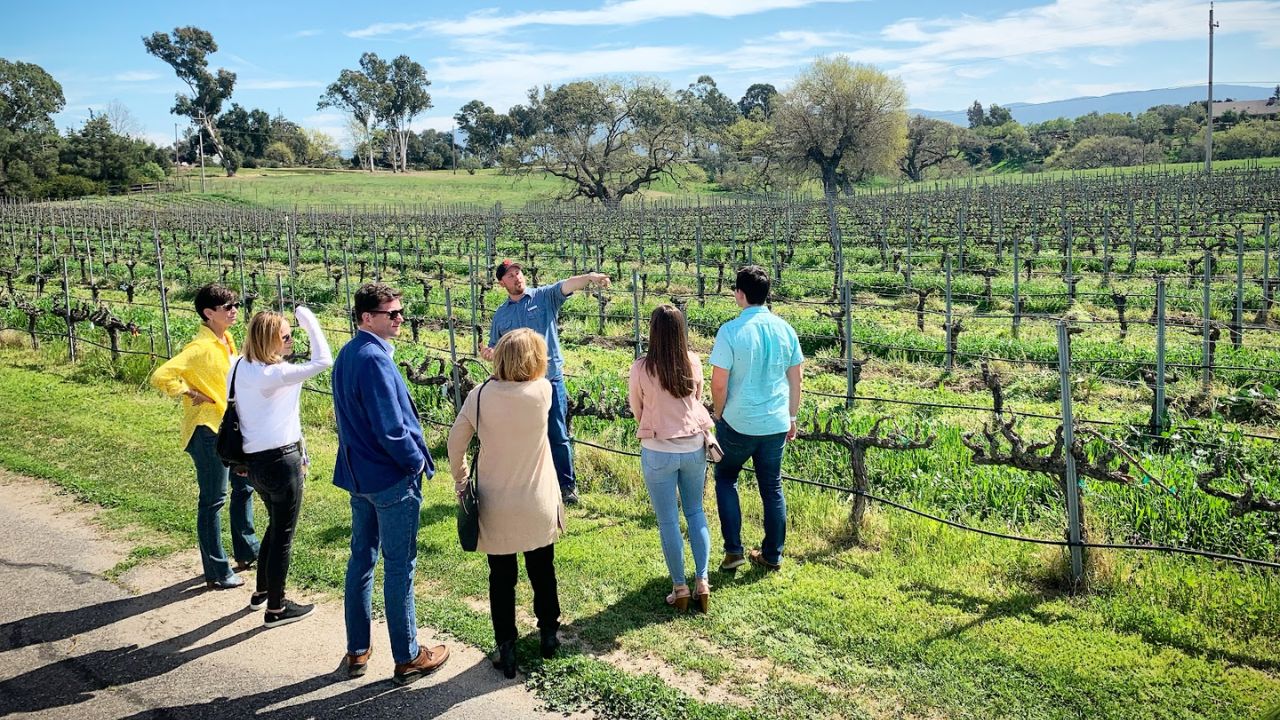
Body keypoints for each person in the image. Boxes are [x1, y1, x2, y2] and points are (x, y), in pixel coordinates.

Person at [332, 282, 450, 685]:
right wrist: (416, 463)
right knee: (399, 565)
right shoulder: (374, 360)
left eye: (401, 312)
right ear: (367, 318)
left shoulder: (348, 353)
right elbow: (392, 429)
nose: (401, 319)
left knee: (361, 559)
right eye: (392, 314)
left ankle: (357, 649)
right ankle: (408, 654)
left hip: (358, 474)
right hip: (389, 479)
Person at [449, 328, 564, 679]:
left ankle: (506, 646)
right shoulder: (543, 391)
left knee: (501, 577)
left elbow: (456, 442)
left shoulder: (480, 396)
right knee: (542, 569)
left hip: (495, 501)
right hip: (537, 499)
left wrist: (461, 478)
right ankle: (548, 634)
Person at [150, 284, 259, 590]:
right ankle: (217, 569)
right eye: (227, 307)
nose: (234, 310)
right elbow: (161, 376)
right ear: (209, 313)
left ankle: (247, 550)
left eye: (235, 305)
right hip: (208, 432)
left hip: (231, 428)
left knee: (244, 487)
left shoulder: (227, 340)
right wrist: (188, 391)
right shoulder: (198, 348)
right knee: (214, 500)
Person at [231, 307, 332, 627]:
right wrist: (311, 322)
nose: (291, 341)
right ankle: (277, 607)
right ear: (268, 341)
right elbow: (324, 361)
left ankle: (262, 590)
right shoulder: (275, 374)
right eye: (285, 336)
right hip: (282, 461)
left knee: (275, 526)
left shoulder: (238, 367)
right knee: (284, 534)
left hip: (253, 462)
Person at [480, 259, 611, 506]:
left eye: (518, 273)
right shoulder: (501, 315)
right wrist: (490, 353)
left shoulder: (544, 298)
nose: (517, 277)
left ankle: (566, 486)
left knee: (557, 434)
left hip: (549, 380)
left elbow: (566, 285)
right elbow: (496, 347)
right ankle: (531, 484)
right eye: (510, 275)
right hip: (517, 386)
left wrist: (590, 277)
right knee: (524, 436)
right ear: (501, 283)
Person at [709, 266, 804, 573]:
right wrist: (791, 416)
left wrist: (719, 413)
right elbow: (796, 378)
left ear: (740, 293)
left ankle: (734, 551)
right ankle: (772, 554)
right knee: (772, 487)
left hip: (738, 421)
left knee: (726, 477)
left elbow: (719, 382)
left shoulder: (730, 331)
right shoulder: (785, 329)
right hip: (775, 421)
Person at [628, 305, 714, 612]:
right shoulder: (692, 361)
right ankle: (702, 581)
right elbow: (698, 400)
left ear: (652, 330)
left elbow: (637, 410)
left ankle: (679, 588)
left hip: (659, 450)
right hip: (693, 447)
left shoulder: (641, 367)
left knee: (668, 521)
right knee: (695, 512)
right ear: (682, 330)